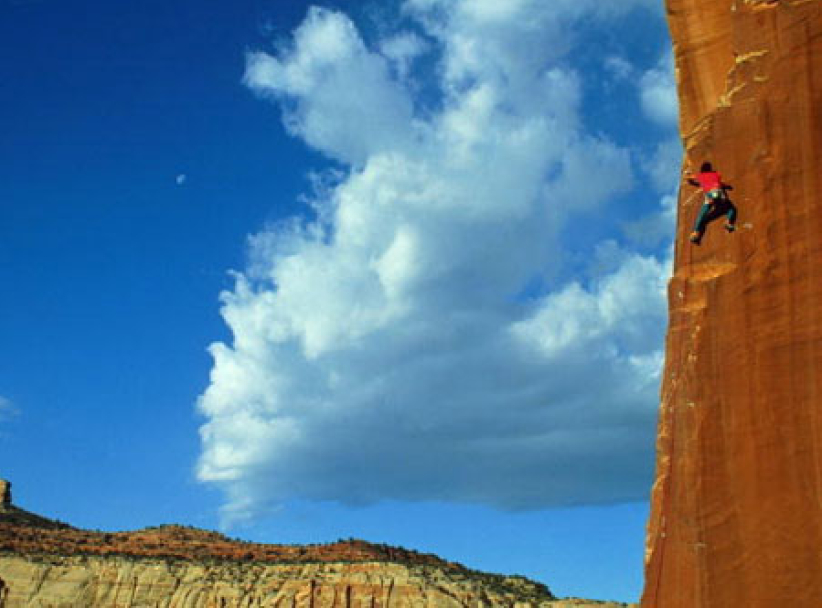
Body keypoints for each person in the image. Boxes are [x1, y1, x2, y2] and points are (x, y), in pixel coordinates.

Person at [685, 161, 737, 244]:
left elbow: (689, 179)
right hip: (719, 193)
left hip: (709, 194)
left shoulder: (700, 176)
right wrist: (728, 186)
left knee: (702, 214)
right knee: (731, 208)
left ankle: (695, 233)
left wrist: (688, 175)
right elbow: (721, 183)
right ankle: (728, 222)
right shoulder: (716, 174)